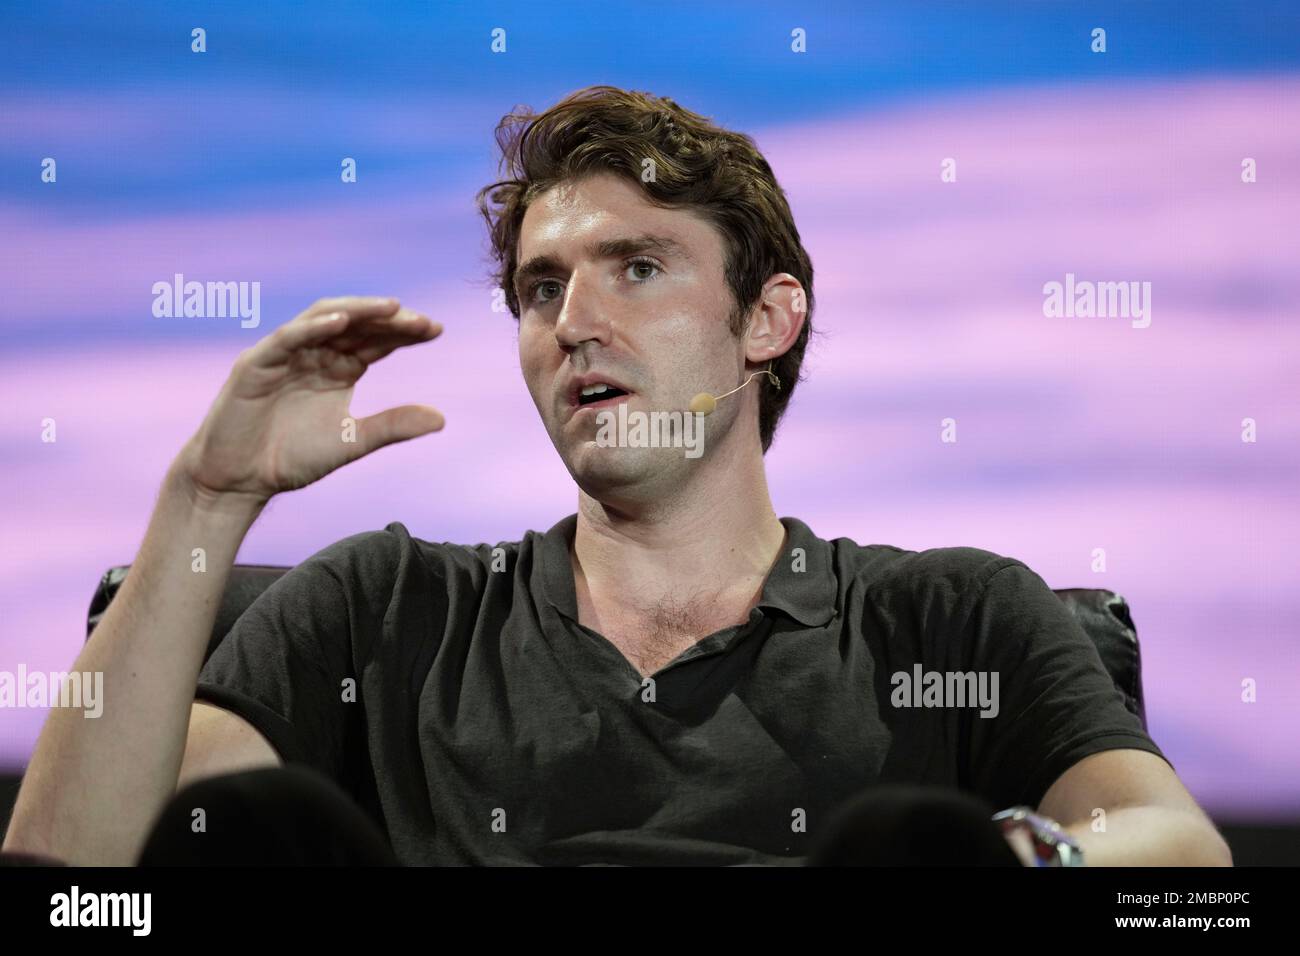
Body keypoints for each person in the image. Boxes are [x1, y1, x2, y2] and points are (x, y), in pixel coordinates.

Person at [3, 86, 1231, 867]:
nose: (573, 320)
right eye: (542, 288)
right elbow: (72, 882)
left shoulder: (952, 615)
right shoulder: (381, 610)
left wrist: (1035, 860)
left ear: (767, 320)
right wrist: (207, 498)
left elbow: (1183, 856)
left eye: (636, 267)